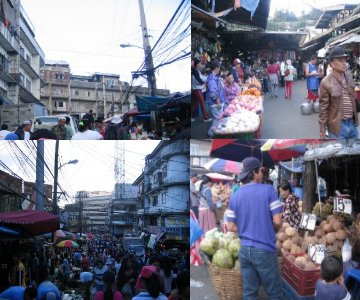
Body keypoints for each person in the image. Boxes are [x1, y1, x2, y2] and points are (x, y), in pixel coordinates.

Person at [226, 157, 283, 299]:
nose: (262, 174)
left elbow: (230, 226)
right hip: (265, 249)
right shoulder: (269, 190)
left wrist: (248, 228)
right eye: (260, 171)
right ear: (254, 173)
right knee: (274, 293)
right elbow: (278, 220)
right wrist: (270, 228)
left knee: (249, 293)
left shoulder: (235, 196)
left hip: (245, 250)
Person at [319, 46, 358, 139]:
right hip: (337, 127)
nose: (344, 63)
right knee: (340, 153)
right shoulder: (325, 82)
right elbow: (323, 108)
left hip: (352, 124)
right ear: (332, 63)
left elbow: (353, 99)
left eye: (345, 60)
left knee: (355, 152)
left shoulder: (349, 76)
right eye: (340, 60)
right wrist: (322, 130)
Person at [206, 59, 226, 137]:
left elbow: (218, 88)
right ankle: (211, 133)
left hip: (218, 102)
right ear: (217, 68)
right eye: (219, 67)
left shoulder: (215, 77)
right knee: (218, 119)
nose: (220, 69)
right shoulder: (211, 78)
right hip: (215, 103)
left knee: (217, 119)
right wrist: (218, 102)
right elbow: (212, 92)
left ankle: (214, 133)